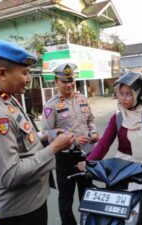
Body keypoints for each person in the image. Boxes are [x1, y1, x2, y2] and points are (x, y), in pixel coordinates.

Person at [0, 40, 75, 225]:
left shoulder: (5, 97)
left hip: (30, 204)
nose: (29, 79)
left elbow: (21, 141)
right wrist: (54, 148)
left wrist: (46, 138)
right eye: (25, 73)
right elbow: (10, 175)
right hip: (18, 214)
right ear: (2, 73)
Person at [78, 71, 142, 225]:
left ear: (140, 95)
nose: (122, 98)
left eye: (128, 94)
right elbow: (104, 144)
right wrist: (89, 162)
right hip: (121, 170)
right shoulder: (117, 117)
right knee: (118, 215)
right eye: (120, 93)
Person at [41, 63, 99, 225]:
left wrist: (93, 132)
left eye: (71, 80)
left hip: (86, 155)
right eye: (64, 81)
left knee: (87, 195)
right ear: (56, 83)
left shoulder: (82, 99)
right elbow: (46, 135)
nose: (68, 84)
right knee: (66, 201)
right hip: (65, 159)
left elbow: (91, 121)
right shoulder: (50, 106)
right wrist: (72, 140)